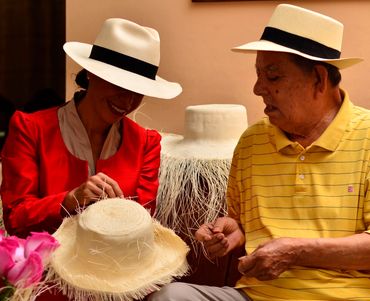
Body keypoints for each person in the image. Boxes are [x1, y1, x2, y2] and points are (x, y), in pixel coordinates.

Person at [148, 3, 370, 301]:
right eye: (258, 74)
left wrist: (295, 251)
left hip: (343, 296)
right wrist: (232, 233)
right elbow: (243, 226)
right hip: (256, 295)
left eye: (273, 76)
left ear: (319, 78)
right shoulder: (252, 141)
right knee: (171, 296)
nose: (258, 88)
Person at [0, 18, 182, 238]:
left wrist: (121, 214)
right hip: (48, 267)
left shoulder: (146, 144)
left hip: (120, 267)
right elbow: (15, 219)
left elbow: (143, 224)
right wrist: (69, 200)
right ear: (90, 73)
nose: (127, 101)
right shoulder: (30, 129)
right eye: (119, 84)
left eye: (138, 90)